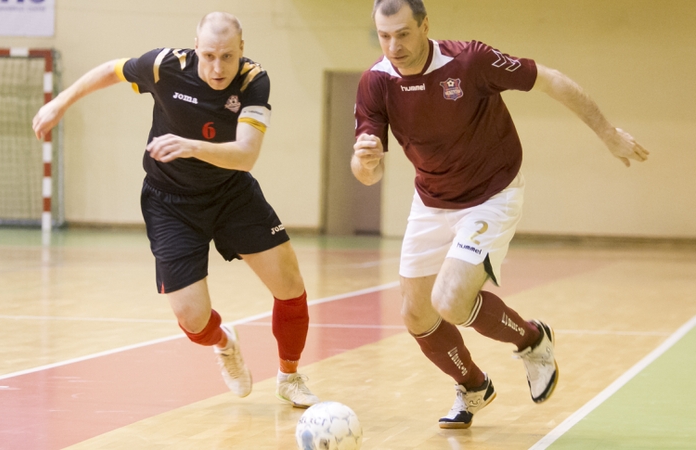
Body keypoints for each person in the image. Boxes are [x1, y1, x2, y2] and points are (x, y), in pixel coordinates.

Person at [352, 0, 649, 429]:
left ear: (425, 26)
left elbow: (551, 80)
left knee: (450, 301)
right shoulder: (375, 83)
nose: (393, 46)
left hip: (491, 193)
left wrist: (607, 133)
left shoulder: (469, 61)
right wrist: (365, 163)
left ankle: (533, 341)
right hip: (432, 200)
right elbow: (367, 174)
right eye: (384, 36)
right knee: (416, 314)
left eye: (403, 34)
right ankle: (473, 385)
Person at [32, 12, 319, 408]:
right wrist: (60, 102)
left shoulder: (254, 80)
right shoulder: (164, 66)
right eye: (209, 55)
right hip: (170, 204)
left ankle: (289, 376)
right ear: (195, 47)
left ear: (242, 51)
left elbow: (246, 154)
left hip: (230, 193)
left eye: (228, 57)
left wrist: (189, 146)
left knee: (289, 283)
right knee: (193, 320)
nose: (218, 67)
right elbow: (112, 70)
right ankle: (224, 343)